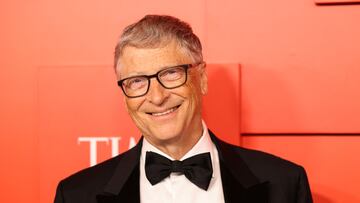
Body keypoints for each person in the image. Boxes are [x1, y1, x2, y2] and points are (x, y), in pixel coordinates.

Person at [54, 15, 313, 203]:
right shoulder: (77, 195)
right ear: (125, 96)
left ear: (201, 79)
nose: (156, 97)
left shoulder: (284, 184)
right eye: (137, 81)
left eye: (170, 74)